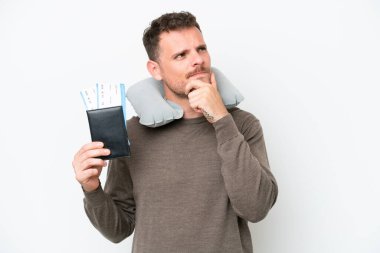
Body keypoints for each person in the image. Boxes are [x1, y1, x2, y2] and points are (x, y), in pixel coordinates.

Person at [72, 11, 278, 253]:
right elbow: (118, 230)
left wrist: (222, 119)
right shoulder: (133, 133)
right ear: (155, 69)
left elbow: (256, 208)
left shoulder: (243, 125)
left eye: (201, 49)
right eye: (181, 55)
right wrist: (91, 188)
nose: (197, 60)